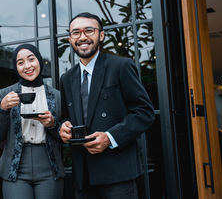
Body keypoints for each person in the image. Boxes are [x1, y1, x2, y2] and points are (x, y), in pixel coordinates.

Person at [59, 12, 155, 199]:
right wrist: (63, 127)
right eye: (76, 33)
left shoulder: (121, 66)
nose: (83, 37)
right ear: (70, 39)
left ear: (101, 35)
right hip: (83, 175)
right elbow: (65, 116)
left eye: (89, 30)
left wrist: (110, 138)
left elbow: (144, 112)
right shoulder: (67, 78)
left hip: (117, 172)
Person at [0, 44, 65, 199]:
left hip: (48, 166)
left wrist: (52, 124)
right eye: (20, 62)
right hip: (15, 166)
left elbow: (64, 137)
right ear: (16, 67)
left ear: (39, 60)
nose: (27, 66)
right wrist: (2, 109)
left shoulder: (56, 95)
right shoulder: (6, 94)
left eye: (31, 59)